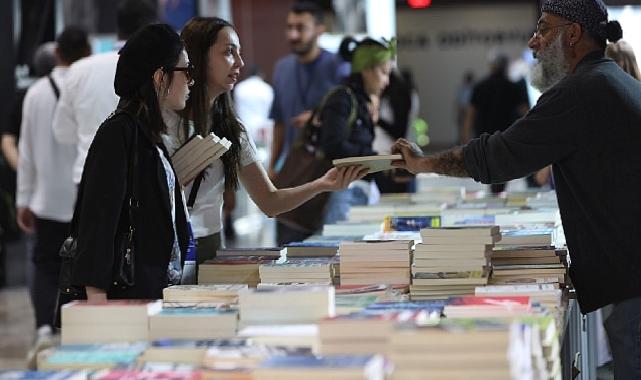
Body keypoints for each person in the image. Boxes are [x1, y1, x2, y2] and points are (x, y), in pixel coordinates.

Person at [391, 0, 640, 376]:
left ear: (572, 34)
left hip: (631, 285)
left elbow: (498, 156)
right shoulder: (611, 81)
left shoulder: (579, 92)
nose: (532, 42)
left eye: (543, 29)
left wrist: (423, 164)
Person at [163, 17, 366, 267]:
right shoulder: (162, 123)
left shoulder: (232, 130)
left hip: (209, 249)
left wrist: (321, 184)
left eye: (239, 52)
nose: (240, 62)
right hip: (163, 247)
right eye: (228, 52)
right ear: (199, 56)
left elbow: (270, 201)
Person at [70, 23, 192, 302]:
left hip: (153, 293)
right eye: (186, 71)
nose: (190, 81)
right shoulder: (118, 133)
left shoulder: (146, 131)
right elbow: (98, 224)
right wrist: (97, 304)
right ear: (161, 77)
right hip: (126, 299)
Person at [15, 26, 90, 364]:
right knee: (86, 268)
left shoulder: (35, 94)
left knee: (47, 267)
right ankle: (81, 332)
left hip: (46, 200)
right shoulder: (90, 85)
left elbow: (26, 152)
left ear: (58, 53)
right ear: (88, 50)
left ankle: (46, 329)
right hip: (85, 199)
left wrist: (23, 200)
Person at [268, 1, 349, 244]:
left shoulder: (339, 67)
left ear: (319, 30)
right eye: (289, 27)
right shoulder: (282, 68)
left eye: (301, 28)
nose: (293, 34)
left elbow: (351, 115)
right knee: (288, 249)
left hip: (330, 176)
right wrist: (273, 166)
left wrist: (318, 116)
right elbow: (279, 121)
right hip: (293, 174)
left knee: (327, 250)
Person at [52, 0, 156, 185]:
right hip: (142, 177)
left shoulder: (80, 70)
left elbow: (62, 132)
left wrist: (90, 134)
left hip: (90, 173)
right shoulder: (157, 71)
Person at [318, 36, 395, 224]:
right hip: (341, 195)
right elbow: (333, 146)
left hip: (357, 191)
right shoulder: (343, 98)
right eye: (384, 73)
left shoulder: (362, 102)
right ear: (367, 70)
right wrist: (376, 158)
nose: (387, 81)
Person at [461, 51, 530, 194]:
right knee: (503, 169)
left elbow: (470, 116)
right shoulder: (514, 87)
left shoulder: (480, 87)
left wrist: (466, 138)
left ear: (491, 67)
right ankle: (498, 193)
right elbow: (527, 114)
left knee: (488, 169)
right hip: (506, 137)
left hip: (484, 138)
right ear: (506, 67)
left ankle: (494, 193)